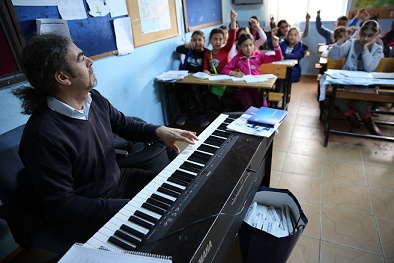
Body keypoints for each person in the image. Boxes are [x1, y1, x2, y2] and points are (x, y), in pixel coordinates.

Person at [12, 33, 199, 244]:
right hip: (85, 211)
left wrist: (159, 130)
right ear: (63, 77)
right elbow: (62, 204)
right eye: (82, 59)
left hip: (118, 181)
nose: (91, 62)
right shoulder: (43, 135)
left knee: (181, 191)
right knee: (162, 229)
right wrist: (131, 207)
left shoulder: (94, 100)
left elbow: (124, 124)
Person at [328, 20, 383, 135]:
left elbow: (368, 68)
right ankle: (354, 122)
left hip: (363, 85)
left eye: (370, 36)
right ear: (359, 33)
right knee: (338, 98)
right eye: (363, 35)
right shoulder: (352, 43)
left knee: (359, 102)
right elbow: (333, 56)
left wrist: (366, 49)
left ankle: (369, 124)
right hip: (346, 82)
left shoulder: (377, 49)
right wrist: (342, 40)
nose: (366, 39)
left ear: (376, 36)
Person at [222, 33, 283, 110]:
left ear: (254, 45)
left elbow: (278, 57)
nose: (249, 48)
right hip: (244, 90)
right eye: (245, 46)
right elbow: (225, 69)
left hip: (257, 88)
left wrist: (276, 45)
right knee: (251, 110)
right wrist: (234, 73)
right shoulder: (238, 58)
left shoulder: (259, 56)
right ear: (240, 47)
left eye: (251, 45)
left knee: (264, 108)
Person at [174, 30, 209, 127]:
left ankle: (202, 114)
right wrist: (186, 46)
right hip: (186, 78)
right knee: (177, 86)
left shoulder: (206, 53)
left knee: (193, 87)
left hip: (200, 81)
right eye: (194, 40)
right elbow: (178, 49)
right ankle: (183, 112)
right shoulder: (189, 51)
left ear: (204, 41)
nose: (197, 42)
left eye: (199, 40)